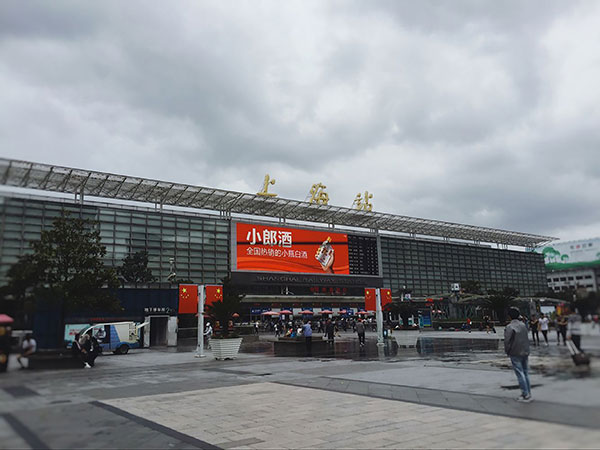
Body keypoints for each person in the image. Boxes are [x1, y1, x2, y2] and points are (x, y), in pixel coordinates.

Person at [504, 308, 532, 402]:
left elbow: (507, 341)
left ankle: (525, 394)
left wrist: (507, 351)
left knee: (520, 373)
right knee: (525, 372)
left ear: (510, 316)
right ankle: (528, 392)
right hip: (525, 351)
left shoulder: (509, 327)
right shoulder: (523, 325)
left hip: (515, 352)